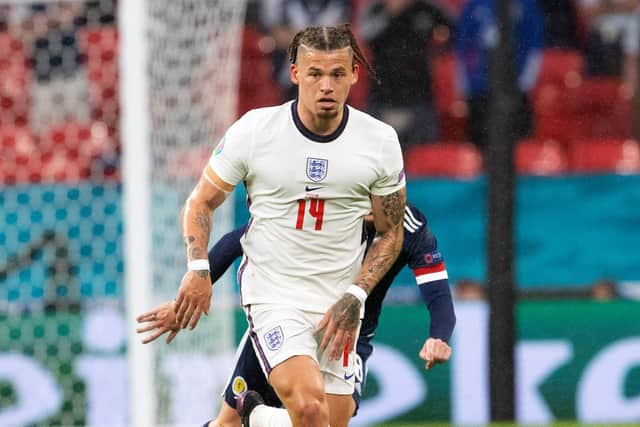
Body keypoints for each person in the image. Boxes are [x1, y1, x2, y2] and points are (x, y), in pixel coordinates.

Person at [163, 24, 406, 427]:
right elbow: (201, 202)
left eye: (337, 74)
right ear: (295, 73)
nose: (326, 85)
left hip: (338, 304)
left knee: (327, 422)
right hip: (274, 295)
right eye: (315, 73)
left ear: (354, 75)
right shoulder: (255, 131)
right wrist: (198, 268)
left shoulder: (379, 142)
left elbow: (389, 232)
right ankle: (251, 414)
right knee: (310, 411)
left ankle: (243, 419)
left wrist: (356, 296)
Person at [137, 201, 456, 426]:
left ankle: (259, 418)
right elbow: (239, 241)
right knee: (228, 424)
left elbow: (438, 290)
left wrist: (439, 336)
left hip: (348, 338)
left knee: (329, 423)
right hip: (284, 317)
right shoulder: (323, 205)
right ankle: (254, 417)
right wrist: (186, 300)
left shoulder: (410, 227)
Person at [360, 0, 453, 149]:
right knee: (377, 155)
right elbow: (365, 35)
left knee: (423, 157)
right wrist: (390, 13)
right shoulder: (377, 9)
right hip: (382, 96)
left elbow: (454, 34)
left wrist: (439, 45)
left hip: (419, 97)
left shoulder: (427, 9)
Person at [454, 0, 544, 150]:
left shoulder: (526, 4)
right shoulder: (474, 5)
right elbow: (463, 46)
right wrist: (465, 84)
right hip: (479, 90)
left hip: (515, 87)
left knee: (518, 144)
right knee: (480, 145)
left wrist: (525, 82)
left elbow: (534, 43)